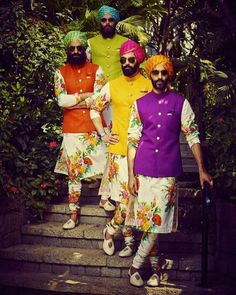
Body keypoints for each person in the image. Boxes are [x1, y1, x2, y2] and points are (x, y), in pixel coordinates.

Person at [126, 54, 214, 287]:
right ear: (149, 74)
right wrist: (130, 175)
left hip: (168, 171)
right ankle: (155, 270)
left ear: (169, 75)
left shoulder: (181, 103)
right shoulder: (139, 104)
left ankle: (135, 265)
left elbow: (193, 136)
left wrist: (201, 170)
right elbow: (132, 141)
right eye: (156, 73)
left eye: (164, 73)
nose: (160, 77)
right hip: (143, 170)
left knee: (157, 221)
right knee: (148, 222)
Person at [89, 40, 153, 258]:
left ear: (138, 60)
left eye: (130, 59)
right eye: (123, 60)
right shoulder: (112, 85)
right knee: (125, 198)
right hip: (119, 150)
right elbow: (94, 109)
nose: (126, 63)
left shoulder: (149, 84)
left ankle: (117, 235)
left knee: (135, 198)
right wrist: (104, 134)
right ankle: (121, 238)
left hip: (145, 151)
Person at [54, 31, 107, 230]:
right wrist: (86, 96)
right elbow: (61, 101)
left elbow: (99, 99)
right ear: (67, 50)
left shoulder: (96, 69)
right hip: (72, 129)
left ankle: (106, 201)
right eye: (72, 48)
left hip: (95, 127)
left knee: (104, 166)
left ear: (84, 49)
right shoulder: (60, 72)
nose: (76, 51)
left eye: (79, 48)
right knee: (74, 173)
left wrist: (74, 99)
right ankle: (73, 213)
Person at [87, 5, 129, 212]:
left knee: (114, 143)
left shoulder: (126, 44)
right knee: (102, 145)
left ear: (116, 22)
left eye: (110, 20)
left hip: (119, 100)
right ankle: (106, 192)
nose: (107, 23)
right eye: (103, 20)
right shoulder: (90, 44)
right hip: (97, 101)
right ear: (99, 22)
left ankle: (106, 195)